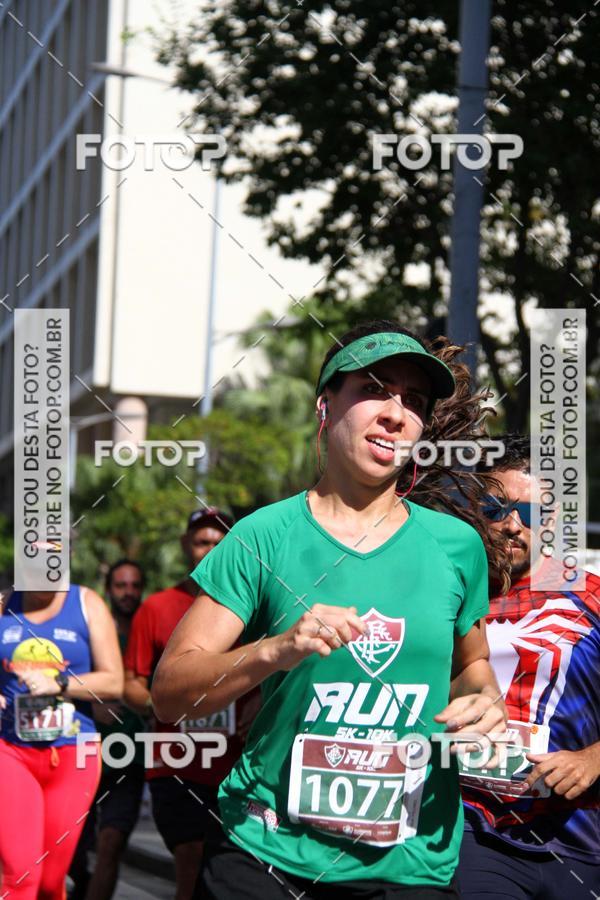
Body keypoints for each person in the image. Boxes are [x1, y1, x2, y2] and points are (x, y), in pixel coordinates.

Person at [152, 321, 508, 899]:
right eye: (373, 388)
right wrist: (276, 648)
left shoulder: (456, 545)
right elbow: (170, 692)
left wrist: (484, 702)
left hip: (410, 863)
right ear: (325, 406)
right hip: (268, 853)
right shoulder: (262, 537)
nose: (396, 413)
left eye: (414, 401)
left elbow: (470, 667)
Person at [458, 433, 600, 899]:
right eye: (496, 509)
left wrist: (591, 758)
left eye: (531, 513)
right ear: (476, 511)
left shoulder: (591, 596)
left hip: (579, 837)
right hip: (474, 830)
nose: (513, 525)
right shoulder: (452, 594)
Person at [124, 508, 260, 900]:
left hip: (237, 766)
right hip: (176, 761)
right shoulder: (156, 608)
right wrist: (163, 701)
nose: (211, 549)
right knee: (189, 856)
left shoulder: (254, 603)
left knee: (222, 870)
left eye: (220, 542)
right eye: (202, 541)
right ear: (187, 546)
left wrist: (260, 702)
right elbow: (132, 682)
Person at [0, 583, 123, 899]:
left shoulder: (87, 604)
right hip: (11, 752)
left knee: (50, 883)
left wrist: (59, 682)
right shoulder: (3, 602)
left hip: (73, 757)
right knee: (20, 874)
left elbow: (114, 682)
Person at [70, 559, 148, 900]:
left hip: (129, 760)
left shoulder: (151, 630)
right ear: (108, 590)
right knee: (70, 846)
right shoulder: (89, 632)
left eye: (134, 585)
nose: (128, 593)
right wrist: (91, 702)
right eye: (121, 586)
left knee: (111, 842)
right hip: (82, 755)